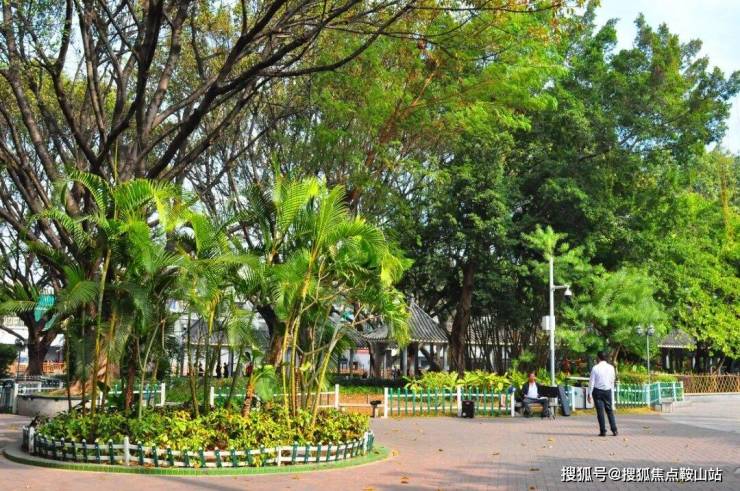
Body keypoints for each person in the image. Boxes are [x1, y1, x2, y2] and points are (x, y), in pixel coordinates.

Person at [588, 351, 618, 437]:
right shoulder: (611, 368)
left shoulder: (595, 368)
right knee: (609, 411)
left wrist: (589, 394)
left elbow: (591, 382)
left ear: (598, 358)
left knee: (600, 412)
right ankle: (614, 430)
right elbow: (612, 380)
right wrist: (611, 391)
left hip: (597, 391)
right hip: (607, 390)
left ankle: (603, 431)